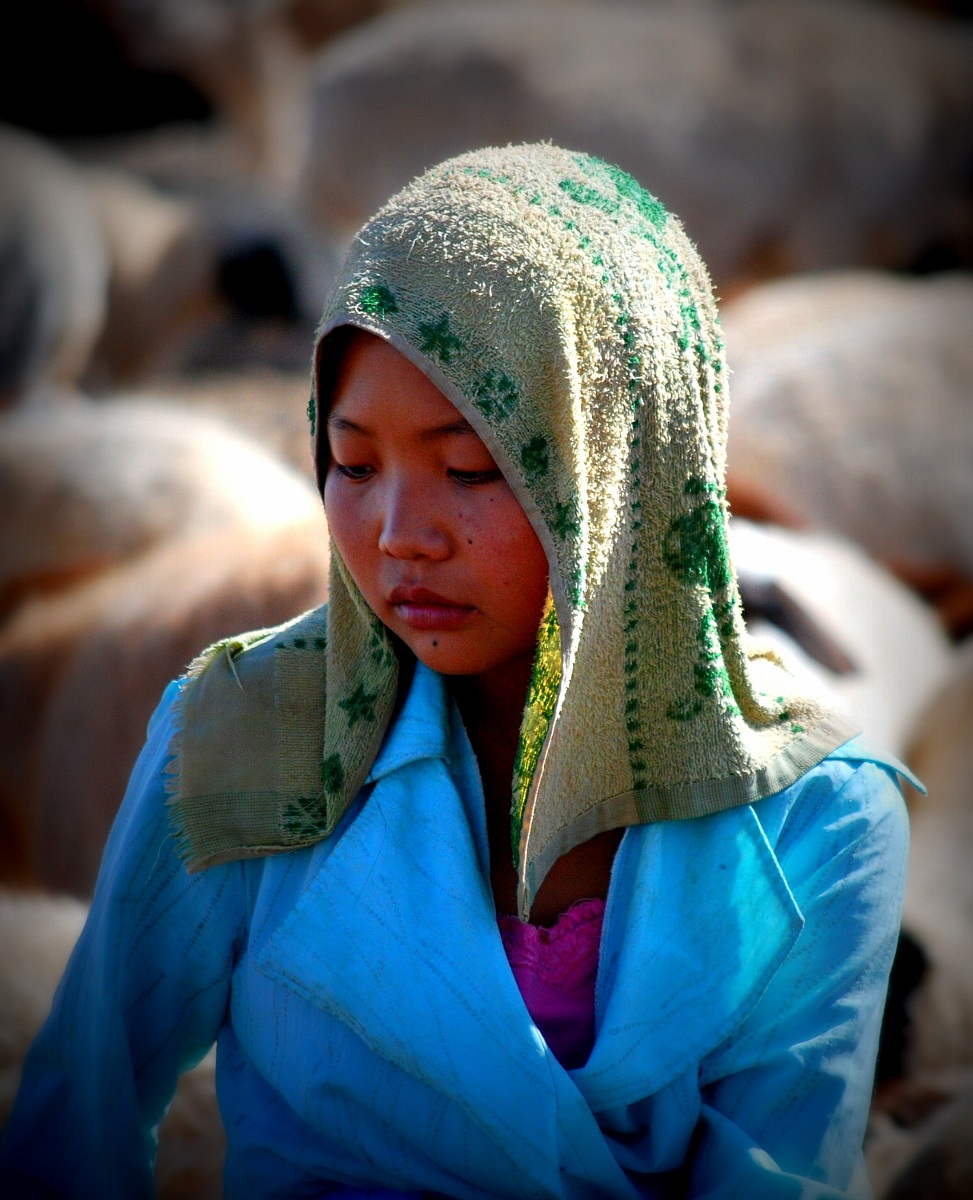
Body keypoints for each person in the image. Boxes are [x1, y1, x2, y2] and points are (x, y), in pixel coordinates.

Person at [0, 143, 915, 1198]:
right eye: (352, 463)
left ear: (623, 466)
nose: (397, 534)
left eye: (472, 468)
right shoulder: (241, 740)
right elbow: (73, 1130)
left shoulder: (815, 818)